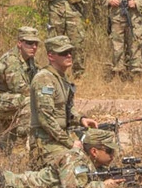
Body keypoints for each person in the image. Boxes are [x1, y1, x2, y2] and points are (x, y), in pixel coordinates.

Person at [29, 35, 98, 169]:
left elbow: (66, 108)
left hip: (59, 137)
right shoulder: (44, 80)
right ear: (51, 56)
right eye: (63, 53)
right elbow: (46, 119)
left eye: (70, 52)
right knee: (77, 165)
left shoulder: (61, 78)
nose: (68, 56)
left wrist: (80, 119)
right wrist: (70, 143)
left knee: (100, 148)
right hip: (45, 142)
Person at [0, 128, 122, 188]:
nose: (113, 155)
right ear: (94, 151)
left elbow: (93, 177)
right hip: (14, 187)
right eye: (109, 151)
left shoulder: (91, 162)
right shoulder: (73, 159)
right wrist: (103, 186)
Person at [0, 26, 40, 151]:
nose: (33, 46)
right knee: (29, 101)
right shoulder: (11, 61)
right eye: (29, 43)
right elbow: (23, 90)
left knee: (5, 150)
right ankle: (20, 145)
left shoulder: (30, 61)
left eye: (36, 43)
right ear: (19, 43)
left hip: (9, 100)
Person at [38, 0, 90, 78]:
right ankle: (55, 73)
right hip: (56, 16)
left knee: (78, 44)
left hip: (74, 15)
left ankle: (79, 74)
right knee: (54, 45)